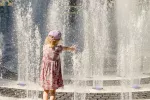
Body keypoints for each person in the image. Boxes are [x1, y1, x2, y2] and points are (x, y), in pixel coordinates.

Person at [40, 30, 75, 100]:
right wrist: (71, 48)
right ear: (58, 40)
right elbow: (65, 48)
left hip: (45, 72)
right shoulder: (58, 48)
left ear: (48, 38)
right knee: (52, 92)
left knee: (45, 90)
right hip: (54, 72)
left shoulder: (45, 47)